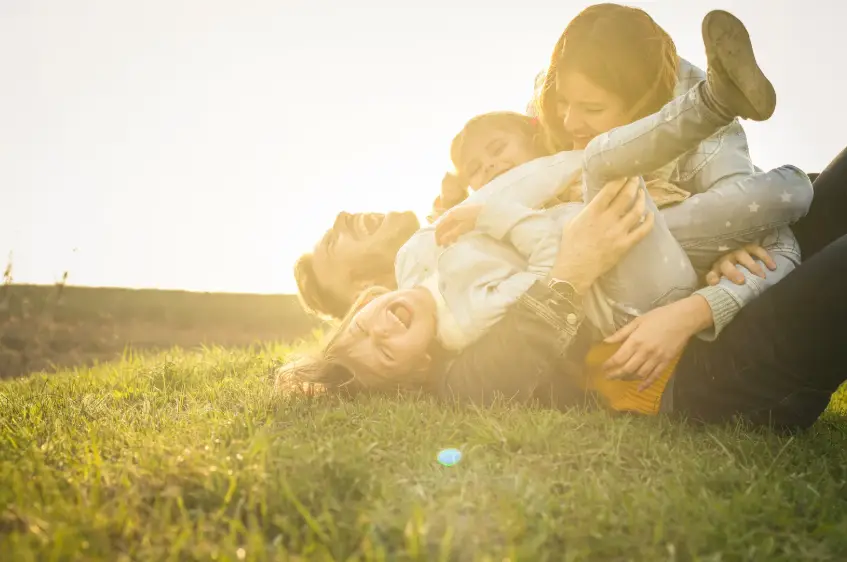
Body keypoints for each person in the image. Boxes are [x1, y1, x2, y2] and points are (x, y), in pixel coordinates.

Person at [279, 9, 811, 404]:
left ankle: (772, 178)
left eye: (361, 325)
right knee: (627, 178)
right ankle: (734, 131)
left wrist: (508, 198)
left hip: (652, 231)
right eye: (336, 242)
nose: (378, 326)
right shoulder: (461, 332)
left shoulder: (428, 247)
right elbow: (550, 261)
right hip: (636, 282)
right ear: (356, 289)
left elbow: (526, 181)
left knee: (780, 209)